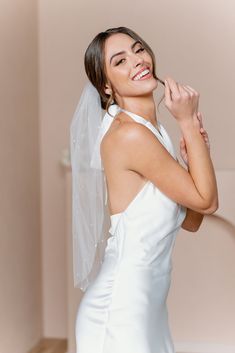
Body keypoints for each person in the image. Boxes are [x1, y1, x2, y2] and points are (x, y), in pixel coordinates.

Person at [74, 26, 218, 353]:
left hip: (148, 306)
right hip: (122, 308)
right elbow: (208, 201)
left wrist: (197, 151)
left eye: (139, 50)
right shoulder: (129, 135)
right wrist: (188, 122)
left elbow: (192, 219)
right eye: (120, 60)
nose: (137, 61)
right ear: (106, 86)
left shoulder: (154, 133)